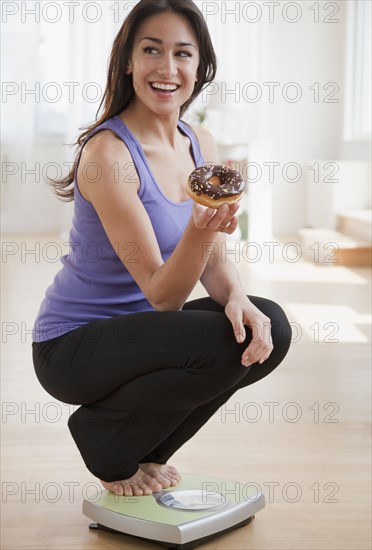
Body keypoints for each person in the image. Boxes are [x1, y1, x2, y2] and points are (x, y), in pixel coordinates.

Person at [32, 0, 292, 498]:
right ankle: (102, 435)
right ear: (128, 60)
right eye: (151, 50)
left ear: (200, 67)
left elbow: (213, 256)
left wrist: (235, 296)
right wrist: (199, 231)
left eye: (182, 53)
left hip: (145, 337)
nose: (167, 68)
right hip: (75, 348)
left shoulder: (200, 142)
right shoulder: (108, 154)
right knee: (224, 340)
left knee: (267, 326)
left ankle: (149, 451)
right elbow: (163, 296)